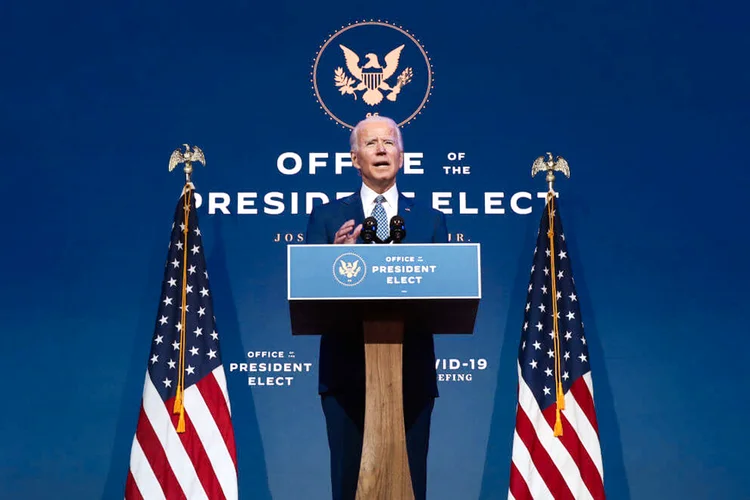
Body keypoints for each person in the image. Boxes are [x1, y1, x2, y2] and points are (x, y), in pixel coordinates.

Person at [305, 115, 448, 500]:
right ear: (355, 159)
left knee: (410, 482)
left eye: (389, 143)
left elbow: (446, 290)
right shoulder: (326, 217)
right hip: (345, 372)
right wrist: (330, 263)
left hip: (411, 371)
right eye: (371, 144)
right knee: (349, 483)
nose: (382, 149)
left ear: (401, 156)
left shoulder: (432, 220)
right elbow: (308, 293)